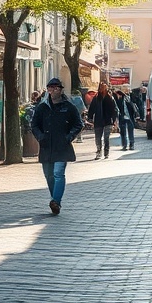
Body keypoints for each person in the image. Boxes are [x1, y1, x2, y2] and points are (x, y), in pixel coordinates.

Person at [30, 78, 83, 215]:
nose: (53, 91)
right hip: (46, 146)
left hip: (62, 146)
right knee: (49, 175)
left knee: (58, 173)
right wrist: (40, 137)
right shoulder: (42, 107)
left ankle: (56, 201)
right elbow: (34, 124)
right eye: (51, 88)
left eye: (56, 88)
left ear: (61, 90)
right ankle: (55, 199)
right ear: (47, 90)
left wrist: (69, 137)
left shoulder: (68, 107)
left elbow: (78, 124)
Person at [86, 81, 118, 160]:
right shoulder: (96, 98)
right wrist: (89, 117)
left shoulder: (110, 97)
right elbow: (92, 108)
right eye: (101, 87)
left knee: (106, 138)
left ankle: (106, 153)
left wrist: (114, 119)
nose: (102, 89)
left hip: (108, 121)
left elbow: (115, 109)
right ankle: (98, 152)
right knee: (98, 138)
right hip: (98, 120)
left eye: (103, 87)